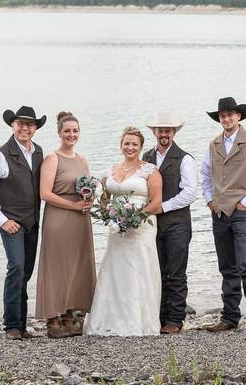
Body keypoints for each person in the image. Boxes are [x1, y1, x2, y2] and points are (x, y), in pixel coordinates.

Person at [200, 97, 246, 333]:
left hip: (242, 212)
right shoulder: (213, 145)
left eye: (230, 115)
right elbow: (205, 176)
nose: (226, 119)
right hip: (219, 212)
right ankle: (230, 317)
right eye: (222, 116)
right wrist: (210, 200)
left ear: (238, 117)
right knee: (227, 266)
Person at [83, 126, 163, 336]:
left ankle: (137, 321)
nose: (130, 147)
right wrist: (107, 212)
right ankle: (108, 319)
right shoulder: (112, 170)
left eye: (134, 144)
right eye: (126, 143)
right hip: (116, 228)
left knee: (138, 269)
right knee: (115, 268)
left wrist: (135, 218)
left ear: (141, 147)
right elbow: (104, 197)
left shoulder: (150, 171)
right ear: (121, 145)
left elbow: (156, 203)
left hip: (141, 228)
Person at [0, 105, 46, 341]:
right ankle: (11, 326)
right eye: (20, 124)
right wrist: (2, 220)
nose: (25, 128)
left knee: (25, 272)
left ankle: (22, 326)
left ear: (35, 128)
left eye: (30, 124)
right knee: (15, 267)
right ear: (12, 126)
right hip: (12, 223)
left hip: (32, 223)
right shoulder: (0, 155)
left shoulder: (38, 152)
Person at [36, 111, 97, 338]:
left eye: (75, 131)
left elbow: (88, 187)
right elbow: (45, 194)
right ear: (59, 133)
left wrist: (90, 200)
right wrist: (74, 206)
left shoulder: (82, 160)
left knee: (76, 267)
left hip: (81, 220)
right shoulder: (53, 159)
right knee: (56, 268)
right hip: (59, 219)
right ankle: (52, 321)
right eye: (67, 131)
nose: (71, 134)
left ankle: (70, 318)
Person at [142, 112, 198, 335]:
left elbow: (190, 193)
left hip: (177, 224)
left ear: (174, 133)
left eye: (168, 130)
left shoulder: (185, 159)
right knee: (157, 270)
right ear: (154, 132)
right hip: (152, 224)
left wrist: (162, 207)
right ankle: (159, 316)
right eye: (160, 130)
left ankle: (175, 319)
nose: (163, 134)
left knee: (175, 272)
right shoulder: (146, 157)